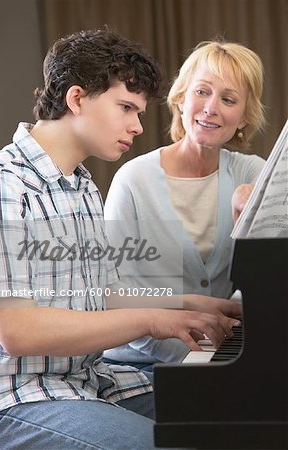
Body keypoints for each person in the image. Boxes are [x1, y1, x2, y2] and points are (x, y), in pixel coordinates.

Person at [0, 29, 241, 449]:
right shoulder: (5, 184)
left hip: (90, 380)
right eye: (126, 107)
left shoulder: (82, 185)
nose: (138, 126)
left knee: (229, 410)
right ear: (76, 99)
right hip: (18, 398)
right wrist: (151, 320)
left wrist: (189, 303)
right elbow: (19, 330)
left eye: (139, 112)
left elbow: (98, 293)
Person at [103, 39, 265, 370]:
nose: (211, 108)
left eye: (228, 99)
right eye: (201, 92)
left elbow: (267, 280)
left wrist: (245, 230)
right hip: (139, 363)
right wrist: (199, 358)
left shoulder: (254, 173)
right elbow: (115, 297)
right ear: (180, 98)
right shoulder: (133, 181)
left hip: (225, 355)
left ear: (245, 117)